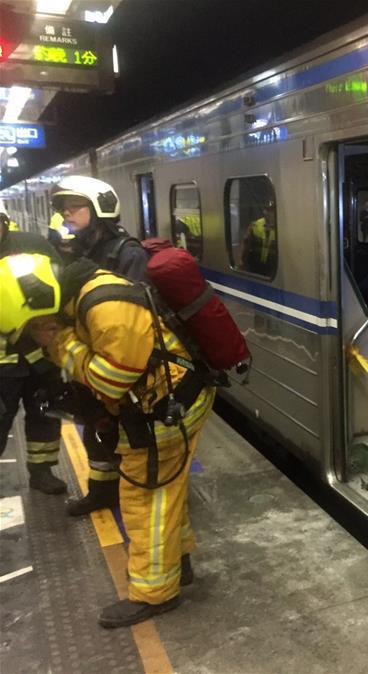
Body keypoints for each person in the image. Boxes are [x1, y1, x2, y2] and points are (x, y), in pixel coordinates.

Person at [0, 252, 214, 627]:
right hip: (158, 402)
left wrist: (62, 342)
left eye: (33, 328)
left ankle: (154, 592)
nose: (36, 336)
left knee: (144, 498)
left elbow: (111, 379)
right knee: (167, 493)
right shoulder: (79, 298)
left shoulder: (104, 308)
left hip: (169, 406)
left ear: (40, 306)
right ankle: (176, 564)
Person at [49, 176, 150, 516]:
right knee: (95, 434)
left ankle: (137, 496)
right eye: (64, 209)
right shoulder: (80, 250)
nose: (66, 215)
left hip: (120, 368)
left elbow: (132, 324)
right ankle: (102, 492)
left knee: (125, 438)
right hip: (92, 361)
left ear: (99, 209)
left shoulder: (128, 253)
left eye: (74, 208)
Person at [0, 210, 66, 494]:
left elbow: (61, 284)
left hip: (42, 354)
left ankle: (42, 471)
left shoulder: (33, 244)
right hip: (4, 360)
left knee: (44, 412)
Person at [238, 200, 277, 276]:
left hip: (272, 269)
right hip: (254, 266)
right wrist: (240, 260)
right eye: (266, 210)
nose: (266, 213)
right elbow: (245, 242)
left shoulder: (281, 228)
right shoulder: (256, 224)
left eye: (271, 211)